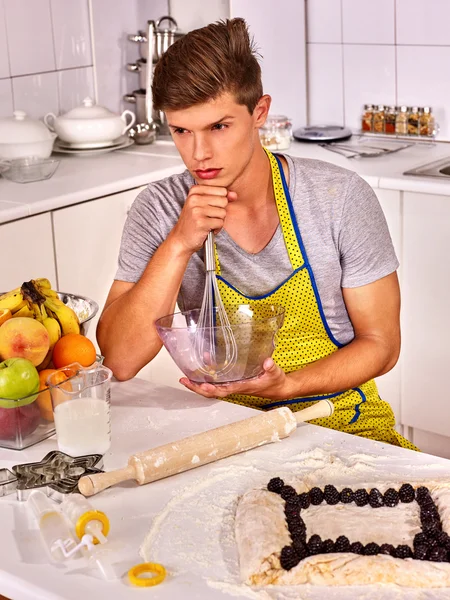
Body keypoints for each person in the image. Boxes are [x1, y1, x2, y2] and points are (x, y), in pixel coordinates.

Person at [97, 18, 416, 450]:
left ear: (259, 113)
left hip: (339, 421)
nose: (199, 153)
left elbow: (382, 345)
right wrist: (178, 245)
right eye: (181, 131)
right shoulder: (157, 209)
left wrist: (288, 386)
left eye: (219, 127)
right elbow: (119, 360)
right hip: (223, 431)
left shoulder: (338, 198)